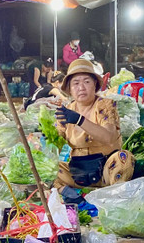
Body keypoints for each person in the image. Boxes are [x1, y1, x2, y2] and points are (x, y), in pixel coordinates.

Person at [53, 58, 133, 195]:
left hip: (106, 171)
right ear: (70, 89)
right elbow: (55, 145)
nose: (81, 87)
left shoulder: (105, 105)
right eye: (76, 83)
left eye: (86, 82)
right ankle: (68, 193)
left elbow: (109, 137)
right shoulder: (66, 112)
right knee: (47, 170)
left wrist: (79, 120)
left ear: (95, 84)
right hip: (78, 172)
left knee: (123, 158)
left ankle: (113, 196)